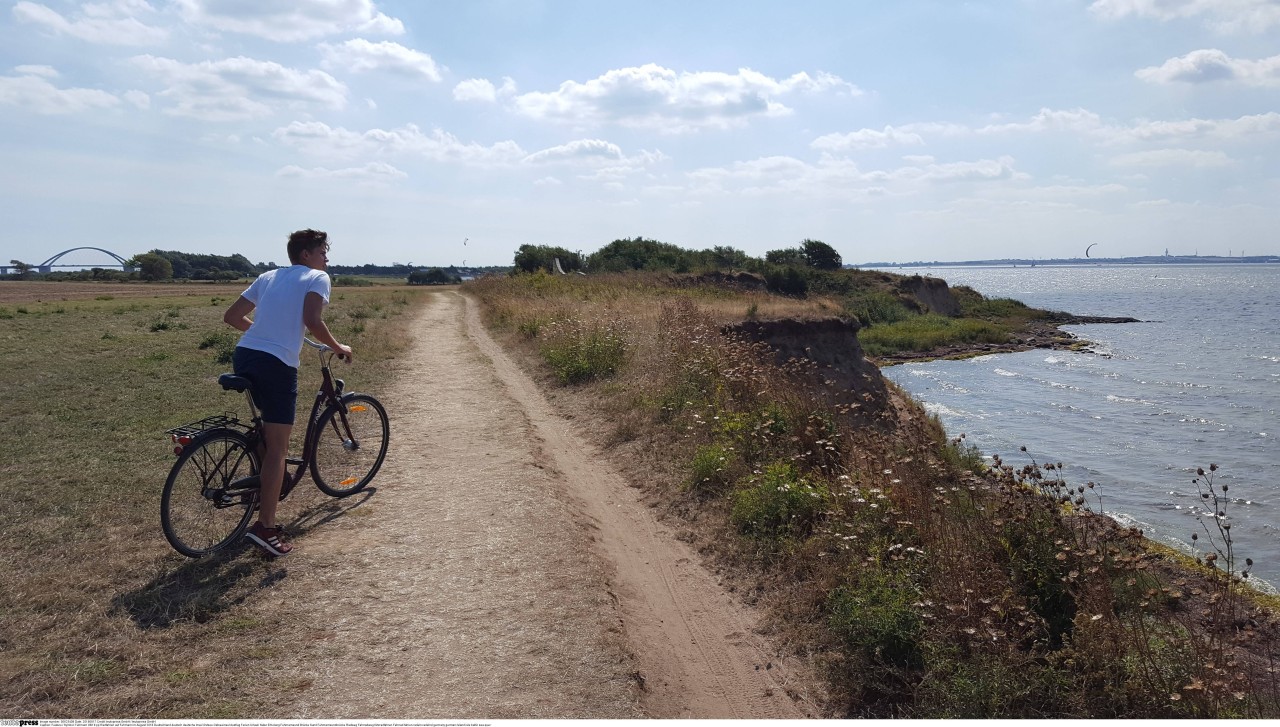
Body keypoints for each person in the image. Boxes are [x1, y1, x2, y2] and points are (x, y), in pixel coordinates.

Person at [222, 229, 352, 556]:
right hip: (276, 364)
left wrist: (264, 334)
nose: (327, 257)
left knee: (268, 432)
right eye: (323, 251)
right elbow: (312, 319)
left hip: (245, 354)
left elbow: (232, 317)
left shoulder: (268, 276)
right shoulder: (317, 277)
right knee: (279, 448)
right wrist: (337, 347)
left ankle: (265, 485)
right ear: (306, 254)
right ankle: (266, 529)